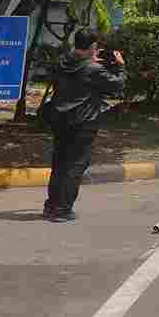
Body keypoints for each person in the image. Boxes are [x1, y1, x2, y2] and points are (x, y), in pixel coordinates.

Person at [42, 28, 125, 222]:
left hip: (60, 119)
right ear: (92, 47)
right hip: (83, 122)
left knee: (60, 163)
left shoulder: (62, 62)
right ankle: (62, 210)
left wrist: (91, 63)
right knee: (76, 165)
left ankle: (51, 206)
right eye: (95, 47)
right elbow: (117, 84)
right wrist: (120, 66)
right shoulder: (92, 69)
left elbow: (69, 74)